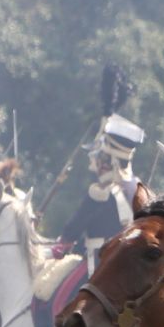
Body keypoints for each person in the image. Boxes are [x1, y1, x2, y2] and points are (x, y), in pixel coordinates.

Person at [57, 114, 145, 271]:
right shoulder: (140, 189)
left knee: (49, 290)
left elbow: (72, 231)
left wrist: (60, 247)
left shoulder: (100, 193)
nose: (95, 164)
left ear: (110, 161)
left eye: (100, 158)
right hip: (134, 268)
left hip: (99, 266)